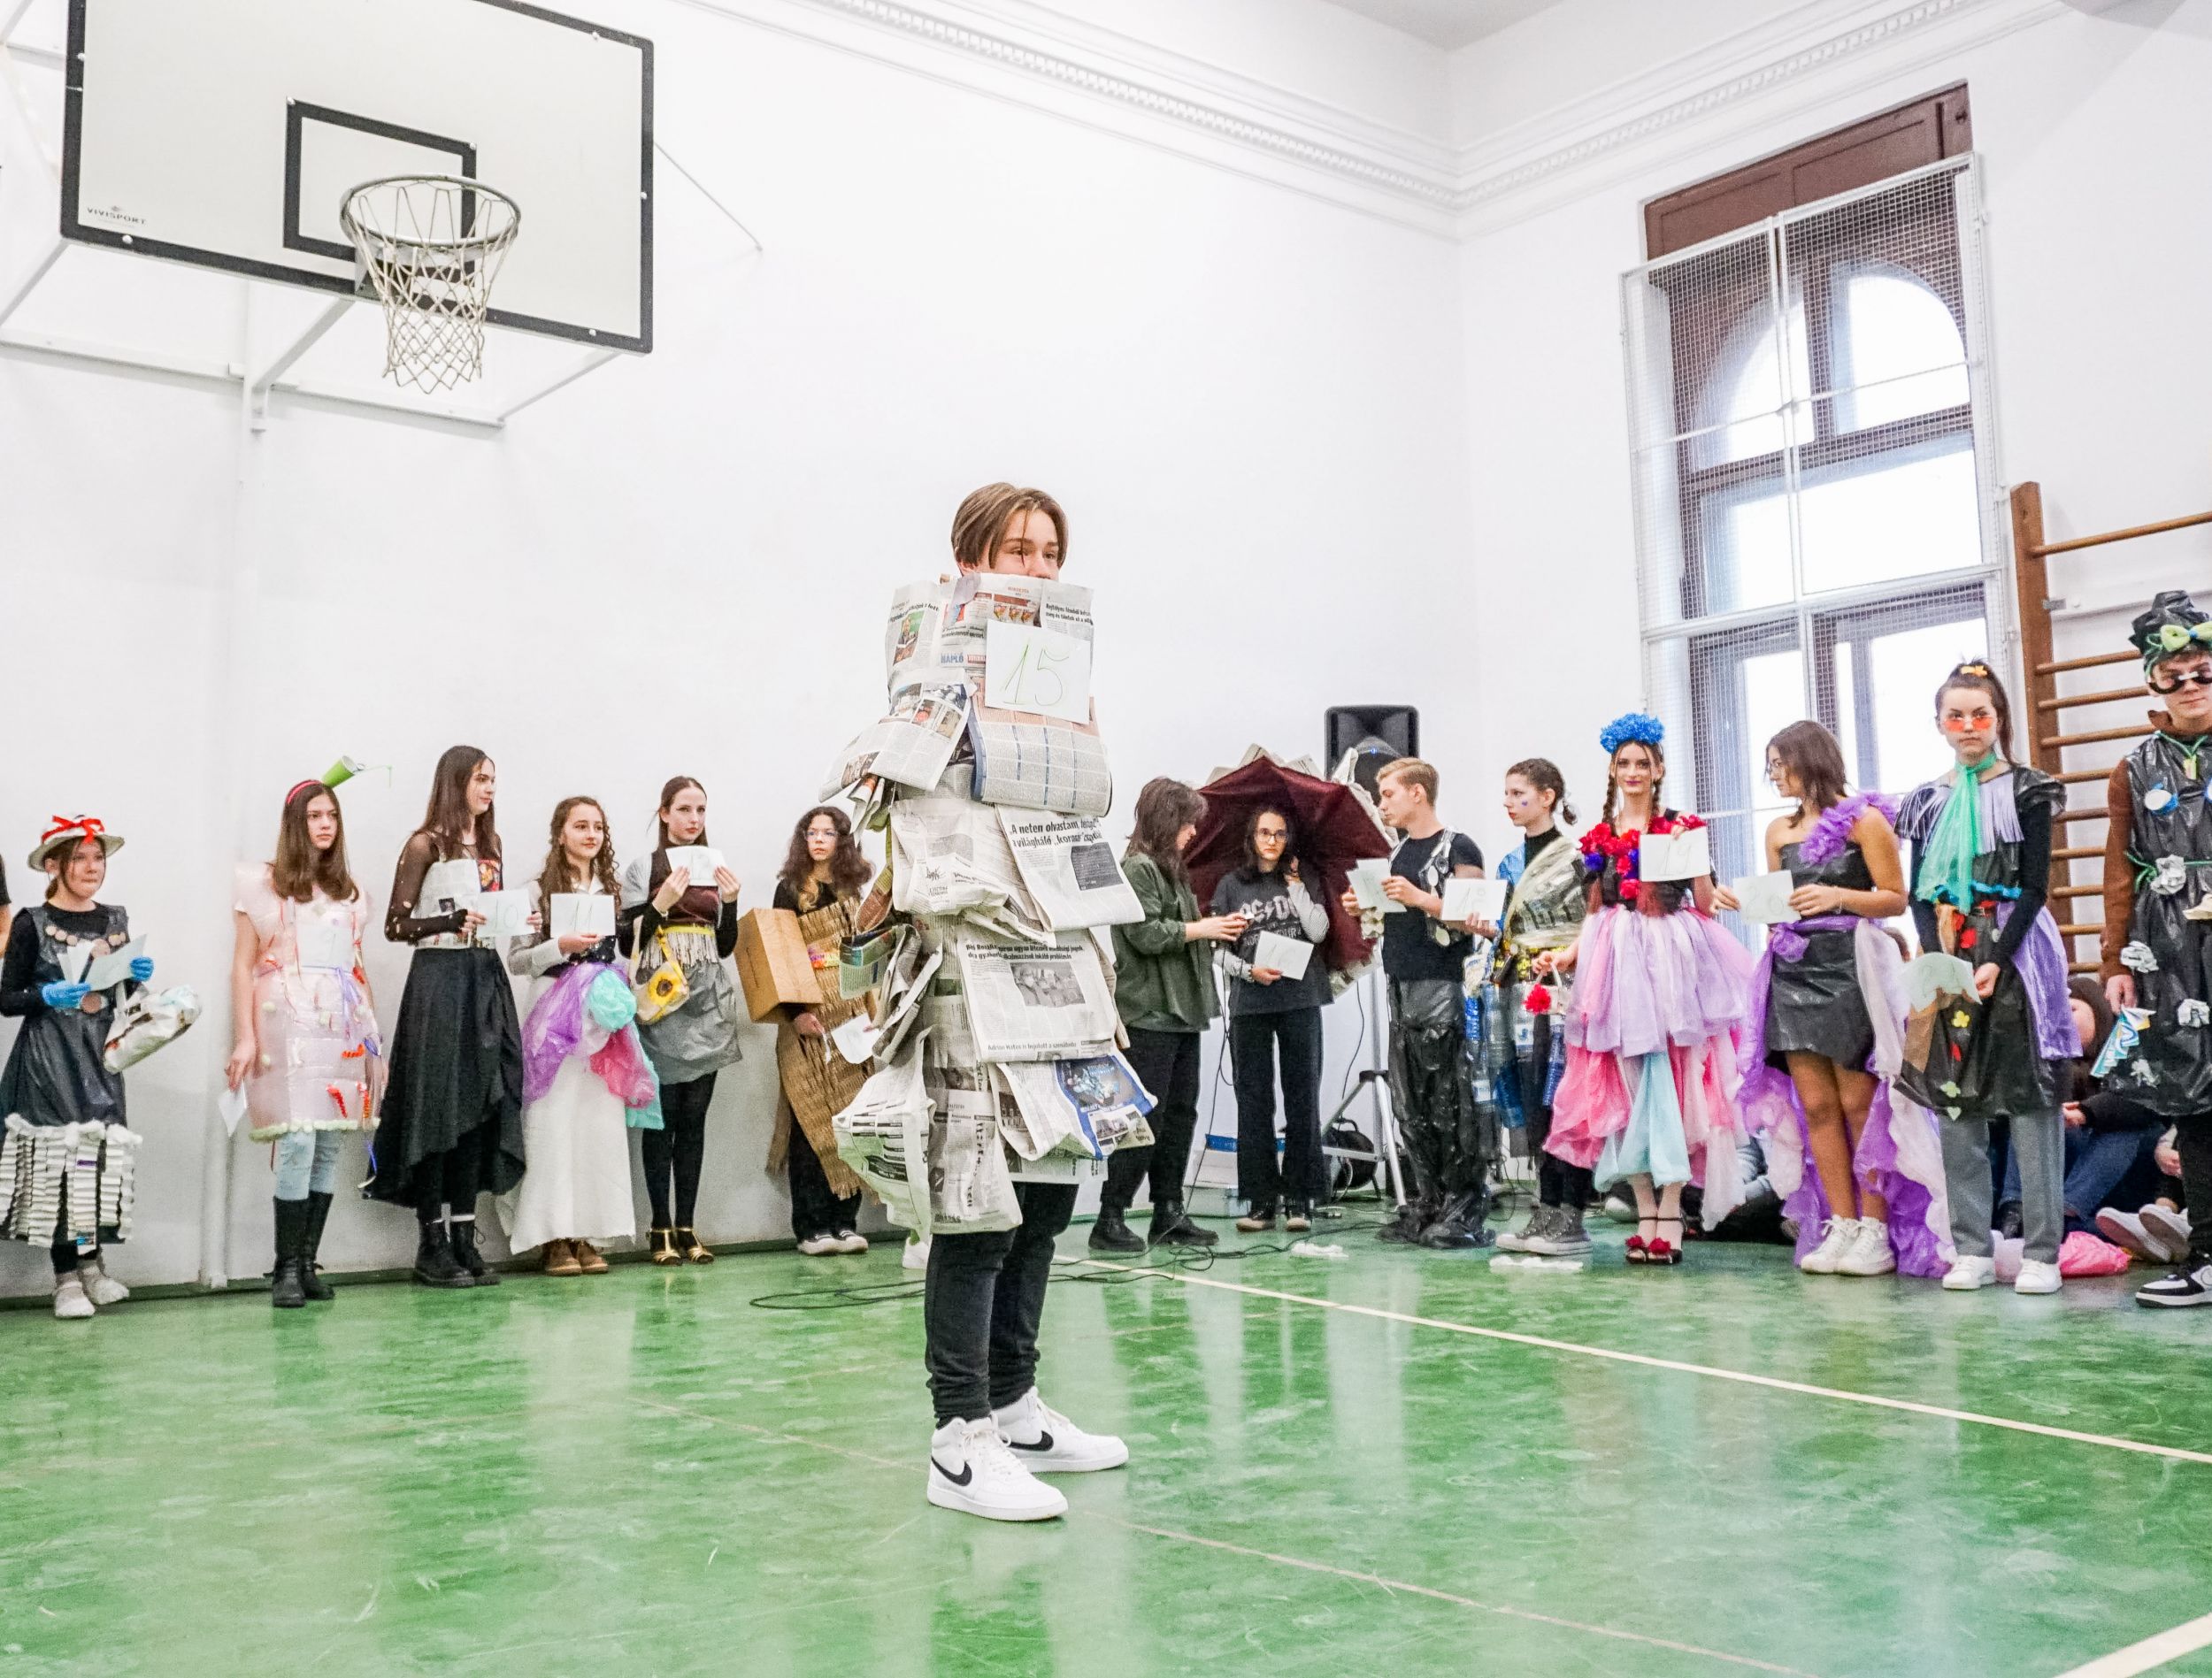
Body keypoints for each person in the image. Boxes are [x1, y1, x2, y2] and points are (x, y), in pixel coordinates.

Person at [910, 483, 1126, 1523]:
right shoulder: (933, 669)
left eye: (1049, 553)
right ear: (971, 561)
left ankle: (1014, 1404)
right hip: (971, 959)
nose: (1036, 568)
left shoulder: (1062, 687)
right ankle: (958, 1437)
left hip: (1057, 949)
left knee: (1049, 1187)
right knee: (979, 1201)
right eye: (1016, 550)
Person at [1715, 723, 1940, 1278]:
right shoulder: (1778, 831)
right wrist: (1745, 903)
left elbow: (1896, 898)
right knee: (1814, 1105)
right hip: (1793, 969)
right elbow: (1778, 908)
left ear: (1809, 760)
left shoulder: (1866, 822)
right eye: (1770, 765)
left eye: (1779, 763)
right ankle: (1841, 1223)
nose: (1773, 775)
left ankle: (1876, 1229)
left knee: (1861, 1104)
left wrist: (1839, 894)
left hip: (1851, 967)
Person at [1898, 663, 2081, 1296]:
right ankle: (1971, 1247)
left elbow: (2034, 888)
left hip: (2015, 950)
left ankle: (2043, 1251)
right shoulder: (1927, 800)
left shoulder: (2030, 790)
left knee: (2030, 1095)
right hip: (1950, 946)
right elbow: (1918, 893)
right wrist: (1937, 958)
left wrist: (1998, 957)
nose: (1969, 726)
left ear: (1999, 719)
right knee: (1956, 1096)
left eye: (1981, 714)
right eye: (1956, 716)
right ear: (1940, 724)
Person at [1542, 714, 1752, 1267]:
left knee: (1675, 1080)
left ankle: (1672, 1209)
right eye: (1624, 763)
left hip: (1670, 958)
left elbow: (1704, 904)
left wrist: (1692, 854)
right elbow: (1595, 913)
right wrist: (1568, 954)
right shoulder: (1600, 835)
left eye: (1643, 763)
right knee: (1623, 1083)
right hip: (1614, 961)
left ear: (1659, 769)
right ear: (1613, 770)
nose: (1633, 771)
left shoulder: (1680, 826)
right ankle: (1644, 1209)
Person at [368, 746, 530, 1289]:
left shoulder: (492, 845)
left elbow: (490, 914)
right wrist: (449, 920)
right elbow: (395, 925)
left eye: (492, 780)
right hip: (439, 982)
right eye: (480, 778)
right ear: (455, 781)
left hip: (484, 976)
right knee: (437, 1107)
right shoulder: (425, 844)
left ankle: (464, 1234)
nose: (489, 789)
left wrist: (517, 917)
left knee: (480, 1107)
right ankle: (430, 1241)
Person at [226, 772, 382, 1308]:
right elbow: (242, 966)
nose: (325, 825)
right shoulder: (262, 885)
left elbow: (357, 966)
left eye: (332, 816)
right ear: (295, 823)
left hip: (340, 1022)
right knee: (297, 1139)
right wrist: (245, 1038)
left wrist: (373, 1038)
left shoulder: (350, 893)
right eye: (315, 816)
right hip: (286, 1021)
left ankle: (307, 1262)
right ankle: (285, 1267)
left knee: (330, 1139)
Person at [2096, 592, 2212, 1306]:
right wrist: (2115, 960)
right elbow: (2119, 871)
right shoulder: (2133, 768)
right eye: (2175, 675)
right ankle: (2207, 1256)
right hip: (2171, 950)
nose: (2191, 684)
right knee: (2196, 1102)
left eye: (2203, 671)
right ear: (2153, 680)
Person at [0, 817, 157, 1319]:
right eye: (80, 859)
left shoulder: (115, 919)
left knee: (97, 1161)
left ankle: (92, 1265)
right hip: (49, 1058)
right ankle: (65, 1277)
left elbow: (122, 994)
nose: (93, 868)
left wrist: (136, 978)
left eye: (98, 858)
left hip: (99, 1055)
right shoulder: (31, 922)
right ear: (54, 866)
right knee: (60, 1164)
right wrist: (44, 996)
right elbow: (6, 998)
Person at [504, 797, 657, 1276]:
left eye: (597, 827)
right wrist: (558, 946)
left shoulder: (611, 891)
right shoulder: (534, 891)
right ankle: (552, 1235)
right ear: (561, 833)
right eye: (580, 826)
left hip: (599, 1015)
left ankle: (588, 1232)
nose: (591, 835)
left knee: (597, 1123)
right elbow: (517, 960)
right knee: (551, 1120)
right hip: (552, 1014)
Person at [1340, 757, 1488, 1248]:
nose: (1382, 804)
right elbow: (1393, 916)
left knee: (1450, 1099)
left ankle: (1464, 1205)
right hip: (1401, 982)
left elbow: (1476, 916)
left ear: (1417, 793)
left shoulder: (1459, 846)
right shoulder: (1397, 852)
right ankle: (1428, 1199)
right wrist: (1366, 906)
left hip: (1444, 983)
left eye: (1388, 794)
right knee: (1412, 1102)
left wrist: (1420, 898)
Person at [1094, 778, 1237, 1252]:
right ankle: (1110, 1216)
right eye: (1189, 822)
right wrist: (1202, 928)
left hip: (1182, 1013)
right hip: (1149, 1013)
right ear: (1167, 820)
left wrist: (1211, 930)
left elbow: (1177, 930)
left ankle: (1168, 1211)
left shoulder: (1172, 871)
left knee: (1179, 1116)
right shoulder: (1137, 868)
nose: (1194, 831)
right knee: (1143, 1119)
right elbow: (1146, 934)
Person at [618, 777, 744, 1266]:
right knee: (662, 1117)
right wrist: (659, 905)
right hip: (663, 996)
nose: (694, 819)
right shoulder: (644, 867)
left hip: (707, 996)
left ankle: (688, 1226)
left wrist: (731, 902)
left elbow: (725, 945)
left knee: (694, 1119)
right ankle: (659, 1226)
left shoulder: (714, 866)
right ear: (664, 813)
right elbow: (626, 939)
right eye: (685, 809)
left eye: (701, 810)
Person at [1485, 760, 1593, 1256]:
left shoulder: (1577, 858)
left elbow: (1593, 922)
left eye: (1518, 793)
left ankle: (1572, 1212)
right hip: (1519, 991)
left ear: (1548, 797)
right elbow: (1504, 927)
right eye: (1506, 793)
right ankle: (1546, 1206)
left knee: (1563, 1098)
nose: (1508, 802)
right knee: (1532, 1098)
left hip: (1565, 987)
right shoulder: (1509, 863)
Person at [1211, 807, 1329, 1234]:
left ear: (1288, 839)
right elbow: (1217, 951)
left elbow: (1318, 931)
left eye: (1279, 834)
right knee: (1254, 1101)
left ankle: (1300, 1197)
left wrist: (1297, 887)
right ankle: (1260, 1200)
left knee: (1303, 1098)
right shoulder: (1231, 885)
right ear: (1252, 836)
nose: (1272, 841)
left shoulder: (1303, 877)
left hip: (1300, 998)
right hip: (1250, 1003)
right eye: (1264, 832)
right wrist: (1249, 971)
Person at [768, 805, 876, 1257]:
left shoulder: (855, 890)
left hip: (851, 1014)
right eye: (811, 832)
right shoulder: (790, 890)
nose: (818, 840)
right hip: (808, 1017)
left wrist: (871, 1009)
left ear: (841, 840)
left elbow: (867, 951)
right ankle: (810, 1228)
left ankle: (844, 1221)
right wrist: (796, 1013)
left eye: (827, 833)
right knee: (809, 1120)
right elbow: (779, 955)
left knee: (851, 1118)